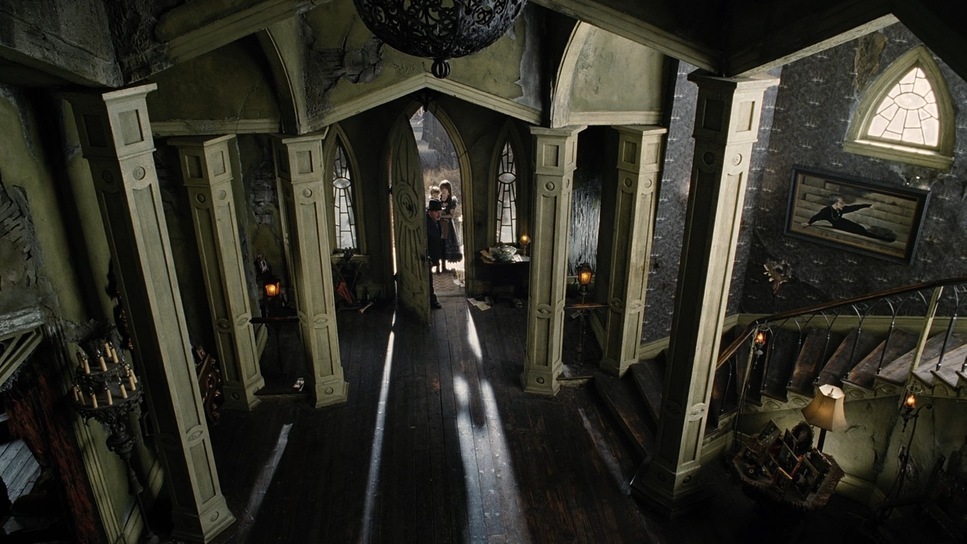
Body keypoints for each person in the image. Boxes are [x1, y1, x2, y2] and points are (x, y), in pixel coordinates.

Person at [801, 197, 896, 242]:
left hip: (843, 222)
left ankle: (883, 237)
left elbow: (855, 207)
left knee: (860, 228)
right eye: (841, 203)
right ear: (836, 203)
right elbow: (816, 217)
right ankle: (884, 239)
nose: (844, 205)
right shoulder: (826, 211)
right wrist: (809, 223)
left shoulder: (842, 209)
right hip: (838, 226)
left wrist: (868, 205)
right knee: (860, 232)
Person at [438, 180, 462, 272]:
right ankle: (438, 265)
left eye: (445, 188)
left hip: (447, 225)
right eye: (442, 188)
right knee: (439, 244)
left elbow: (451, 215)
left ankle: (444, 266)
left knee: (446, 243)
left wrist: (441, 216)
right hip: (438, 225)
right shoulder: (438, 199)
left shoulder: (452, 200)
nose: (443, 190)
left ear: (448, 189)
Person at [426, 199, 443, 309]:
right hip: (427, 256)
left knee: (429, 277)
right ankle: (431, 300)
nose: (439, 215)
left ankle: (432, 299)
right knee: (428, 278)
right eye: (437, 212)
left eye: (440, 212)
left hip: (433, 254)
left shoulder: (435, 220)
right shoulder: (426, 223)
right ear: (430, 212)